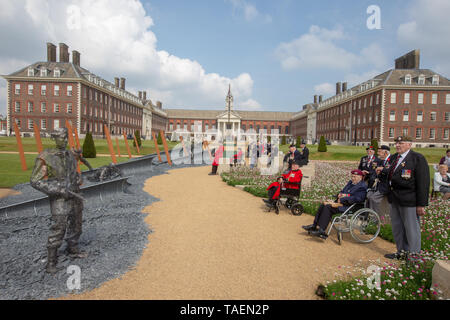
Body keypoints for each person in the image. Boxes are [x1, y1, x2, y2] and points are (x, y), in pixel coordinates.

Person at [30, 128, 88, 274]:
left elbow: (73, 173)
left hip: (74, 194)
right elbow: (35, 181)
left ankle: (72, 249)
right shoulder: (46, 156)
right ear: (54, 138)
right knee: (59, 227)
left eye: (66, 138)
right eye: (62, 138)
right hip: (59, 197)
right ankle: (51, 261)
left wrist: (78, 179)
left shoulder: (69, 154)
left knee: (76, 224)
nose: (65, 141)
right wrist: (57, 189)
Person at [385, 136, 430, 260]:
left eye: (401, 143)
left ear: (409, 145)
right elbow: (390, 175)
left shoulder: (417, 158)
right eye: (397, 143)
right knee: (397, 228)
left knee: (411, 229)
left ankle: (414, 256)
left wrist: (421, 204)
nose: (398, 145)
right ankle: (401, 252)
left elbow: (423, 183)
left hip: (409, 200)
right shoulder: (394, 158)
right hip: (394, 199)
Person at [302, 170, 367, 239]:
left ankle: (322, 230)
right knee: (323, 205)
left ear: (360, 177)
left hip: (349, 206)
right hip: (341, 202)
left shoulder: (362, 186)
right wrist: (339, 194)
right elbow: (343, 191)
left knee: (328, 207)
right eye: (352, 176)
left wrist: (343, 198)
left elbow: (358, 199)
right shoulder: (351, 182)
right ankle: (314, 226)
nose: (353, 178)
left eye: (355, 177)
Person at [366, 145, 393, 218]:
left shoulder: (392, 159)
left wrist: (382, 170)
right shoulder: (381, 160)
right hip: (378, 184)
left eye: (380, 152)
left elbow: (392, 172)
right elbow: (375, 171)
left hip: (387, 185)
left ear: (386, 153)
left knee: (374, 198)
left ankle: (376, 217)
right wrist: (376, 174)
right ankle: (368, 215)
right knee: (368, 196)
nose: (378, 153)